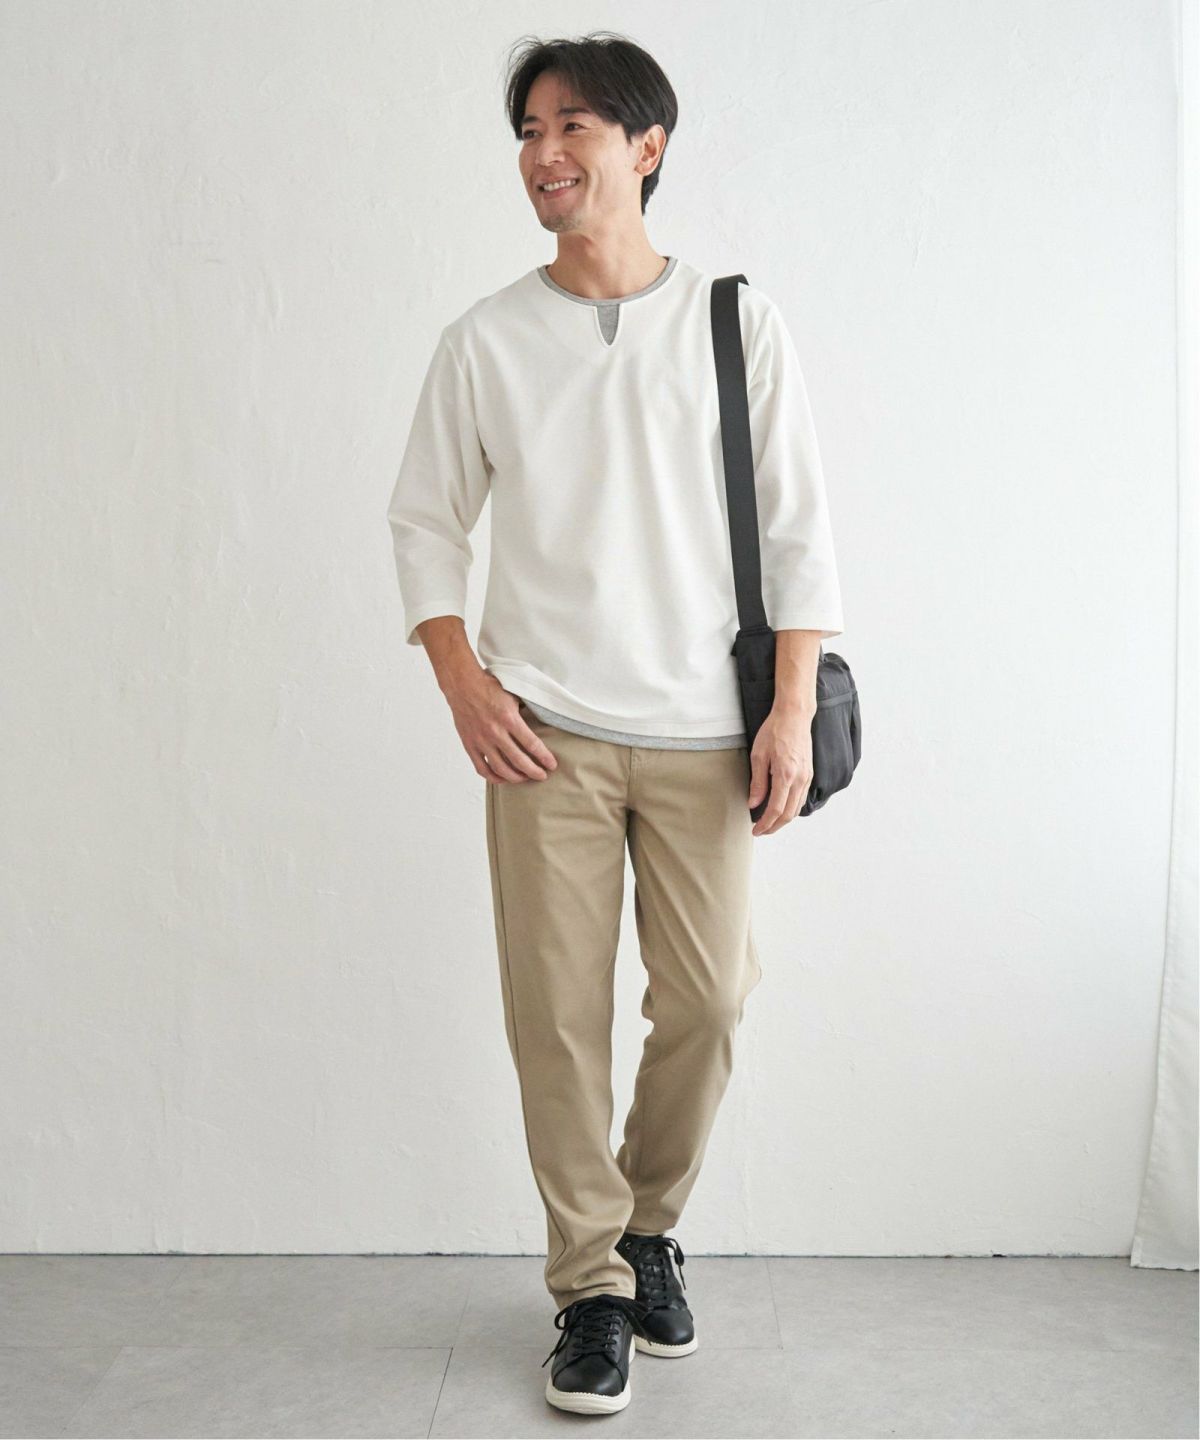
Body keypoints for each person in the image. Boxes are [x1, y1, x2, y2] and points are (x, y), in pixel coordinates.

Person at [386, 30, 844, 1418]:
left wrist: (788, 712)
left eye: (574, 124)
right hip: (547, 736)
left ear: (646, 147)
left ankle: (648, 1227)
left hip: (709, 734)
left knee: (709, 1000)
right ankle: (589, 1285)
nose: (545, 152)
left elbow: (799, 532)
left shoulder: (733, 323)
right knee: (556, 1020)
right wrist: (464, 681)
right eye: (529, 130)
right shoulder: (484, 340)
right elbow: (423, 523)